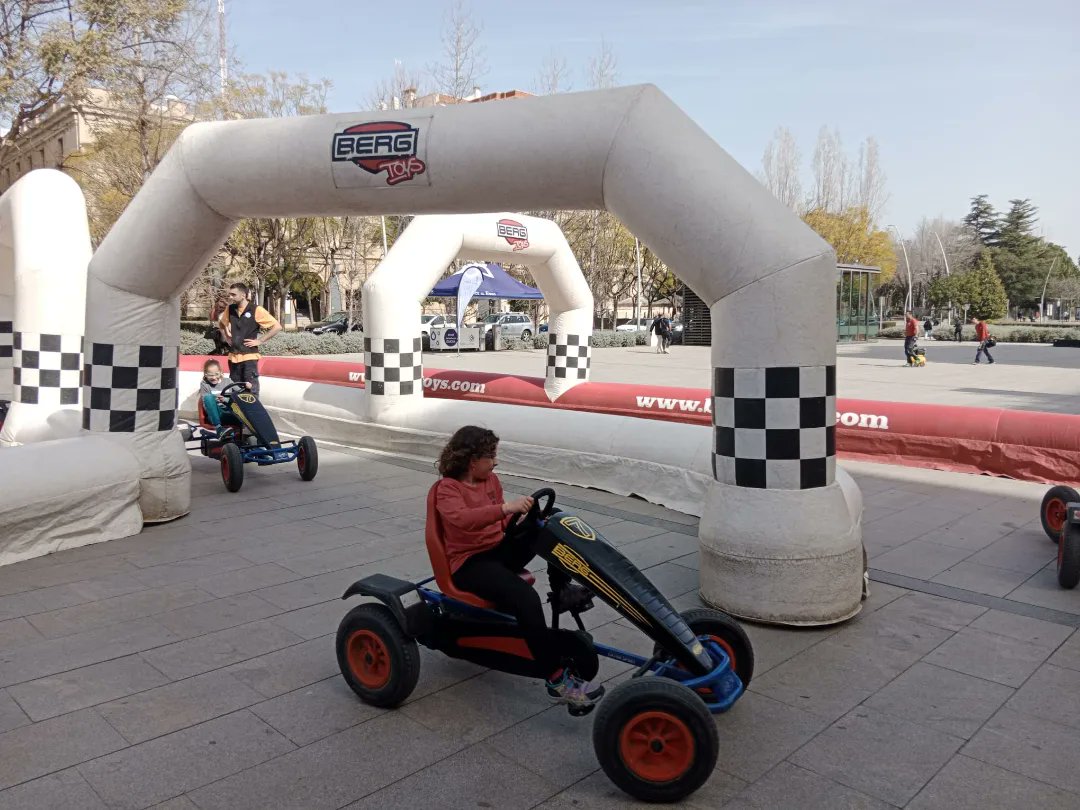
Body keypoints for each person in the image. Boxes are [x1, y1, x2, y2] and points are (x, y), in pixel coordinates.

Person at [434, 425, 605, 713]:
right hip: (469, 564)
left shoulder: (491, 480)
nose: (495, 462)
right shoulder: (447, 489)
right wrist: (506, 509)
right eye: (490, 456)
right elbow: (464, 520)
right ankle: (556, 680)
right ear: (471, 460)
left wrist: (527, 518)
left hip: (496, 551)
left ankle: (562, 589)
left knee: (548, 529)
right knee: (525, 597)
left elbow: (501, 524)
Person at [217, 283, 281, 396]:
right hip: (233, 357)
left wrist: (260, 340)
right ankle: (237, 413)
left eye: (233, 294)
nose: (230, 297)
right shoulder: (230, 309)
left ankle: (252, 412)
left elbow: (277, 327)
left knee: (251, 390)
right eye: (230, 294)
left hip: (249, 357)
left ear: (243, 295)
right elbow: (222, 324)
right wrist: (227, 335)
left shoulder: (256, 310)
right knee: (235, 391)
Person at [197, 359, 249, 426]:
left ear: (221, 372)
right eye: (210, 375)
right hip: (217, 414)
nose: (214, 377)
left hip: (231, 412)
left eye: (216, 374)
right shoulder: (204, 384)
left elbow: (241, 395)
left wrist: (247, 388)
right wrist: (215, 400)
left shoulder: (228, 381)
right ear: (205, 374)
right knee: (208, 397)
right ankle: (219, 428)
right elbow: (205, 404)